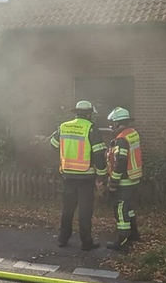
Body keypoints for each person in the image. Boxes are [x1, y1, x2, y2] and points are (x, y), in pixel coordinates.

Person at [50, 100, 107, 251]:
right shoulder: (91, 129)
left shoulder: (63, 127)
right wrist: (102, 176)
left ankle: (62, 239)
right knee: (85, 210)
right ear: (89, 114)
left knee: (67, 209)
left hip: (67, 175)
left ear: (76, 113)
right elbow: (99, 154)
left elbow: (53, 145)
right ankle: (86, 243)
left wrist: (63, 160)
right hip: (86, 177)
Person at [105, 107, 143, 252]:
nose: (111, 127)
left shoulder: (121, 139)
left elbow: (120, 161)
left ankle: (122, 240)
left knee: (120, 209)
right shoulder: (132, 133)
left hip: (124, 180)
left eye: (112, 124)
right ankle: (134, 234)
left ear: (116, 123)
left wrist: (113, 182)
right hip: (133, 177)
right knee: (129, 208)